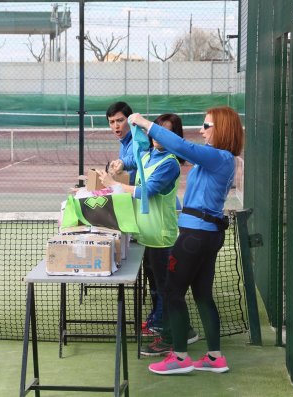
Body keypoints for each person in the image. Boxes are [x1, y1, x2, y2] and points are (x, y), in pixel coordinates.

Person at [129, 106, 244, 375]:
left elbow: (183, 147)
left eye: (206, 126)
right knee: (202, 295)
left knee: (172, 292)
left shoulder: (218, 157)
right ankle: (215, 357)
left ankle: (180, 357)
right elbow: (182, 151)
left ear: (222, 129)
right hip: (207, 235)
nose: (201, 131)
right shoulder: (219, 160)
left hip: (194, 237)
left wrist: (145, 123)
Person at [98, 113, 197, 357]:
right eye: (156, 130)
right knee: (157, 289)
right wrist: (121, 164)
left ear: (174, 137)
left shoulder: (170, 163)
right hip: (146, 238)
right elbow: (134, 159)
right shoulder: (150, 155)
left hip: (163, 239)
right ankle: (179, 330)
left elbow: (148, 191)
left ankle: (171, 338)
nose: (157, 136)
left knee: (167, 291)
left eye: (165, 132)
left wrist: (116, 184)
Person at [105, 101, 138, 185]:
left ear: (130, 120)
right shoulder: (124, 141)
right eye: (112, 122)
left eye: (120, 120)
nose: (116, 126)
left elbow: (136, 160)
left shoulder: (137, 141)